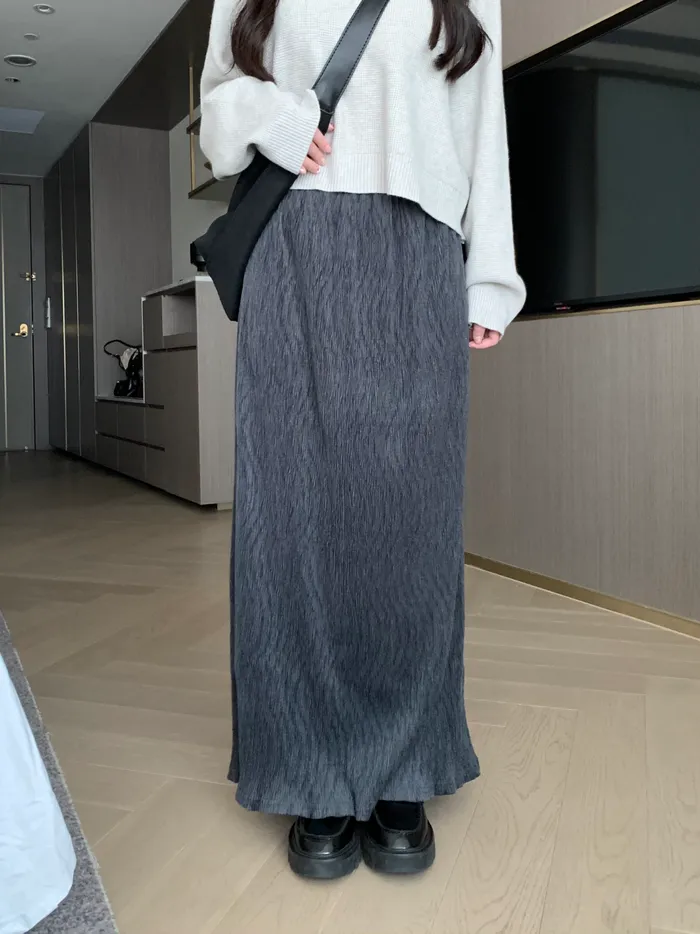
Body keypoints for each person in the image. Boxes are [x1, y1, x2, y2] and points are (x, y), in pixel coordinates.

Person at [200, 0, 525, 880]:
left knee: (411, 520)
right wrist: (273, 117)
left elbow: (483, 120)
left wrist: (490, 275)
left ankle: (405, 764)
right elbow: (218, 105)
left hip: (418, 249)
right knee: (292, 517)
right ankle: (309, 768)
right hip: (293, 248)